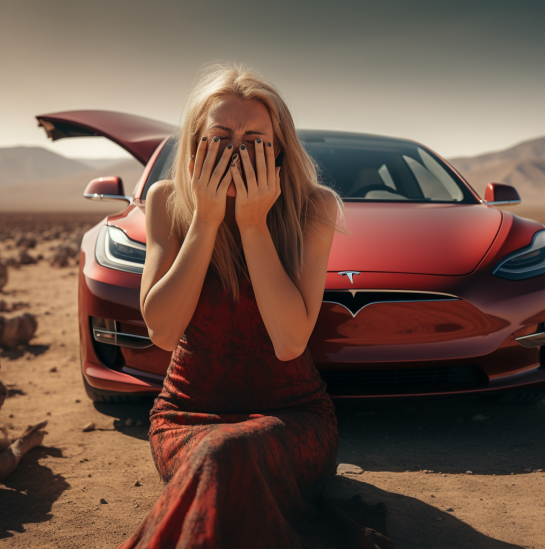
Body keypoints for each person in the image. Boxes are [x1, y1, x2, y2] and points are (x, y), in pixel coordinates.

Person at [117, 64, 393, 549]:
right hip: (186, 417)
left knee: (228, 453)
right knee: (217, 452)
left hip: (293, 417)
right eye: (220, 136)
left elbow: (289, 343)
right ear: (196, 144)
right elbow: (162, 331)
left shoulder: (314, 207)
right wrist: (205, 220)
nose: (236, 151)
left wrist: (252, 224)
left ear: (280, 149)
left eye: (254, 139)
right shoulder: (165, 202)